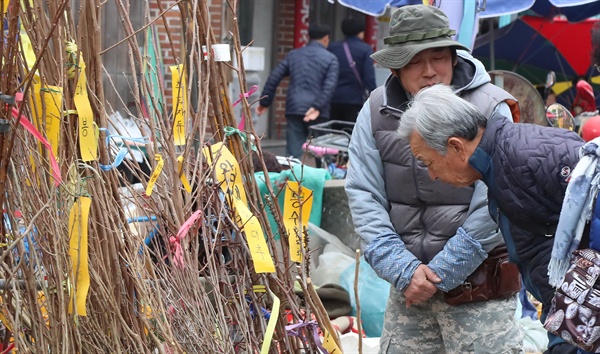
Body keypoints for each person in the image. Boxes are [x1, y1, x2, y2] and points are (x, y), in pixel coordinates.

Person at [345, 5, 525, 354]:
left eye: (439, 58)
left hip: (480, 287)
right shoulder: (375, 108)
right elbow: (362, 191)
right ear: (395, 67)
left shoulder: (489, 106)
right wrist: (402, 269)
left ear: (454, 58)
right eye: (414, 62)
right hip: (409, 288)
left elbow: (498, 199)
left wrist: (441, 271)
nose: (429, 72)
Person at [397, 83, 588, 354]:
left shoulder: (526, 155)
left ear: (456, 147)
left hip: (584, 316)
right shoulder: (503, 159)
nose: (433, 175)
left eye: (429, 162)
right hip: (569, 313)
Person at [255, 24, 339, 159]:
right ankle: (323, 179)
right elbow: (329, 86)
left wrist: (265, 102)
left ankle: (291, 179)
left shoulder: (294, 55)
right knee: (322, 155)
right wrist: (317, 107)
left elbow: (275, 76)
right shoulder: (331, 59)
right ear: (326, 39)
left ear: (308, 37)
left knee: (293, 156)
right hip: (319, 113)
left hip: (295, 108)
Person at [328, 16, 376, 123]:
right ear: (360, 31)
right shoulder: (365, 49)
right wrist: (374, 95)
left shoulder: (333, 47)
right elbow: (369, 77)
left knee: (334, 132)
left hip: (333, 98)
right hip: (354, 99)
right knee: (350, 131)